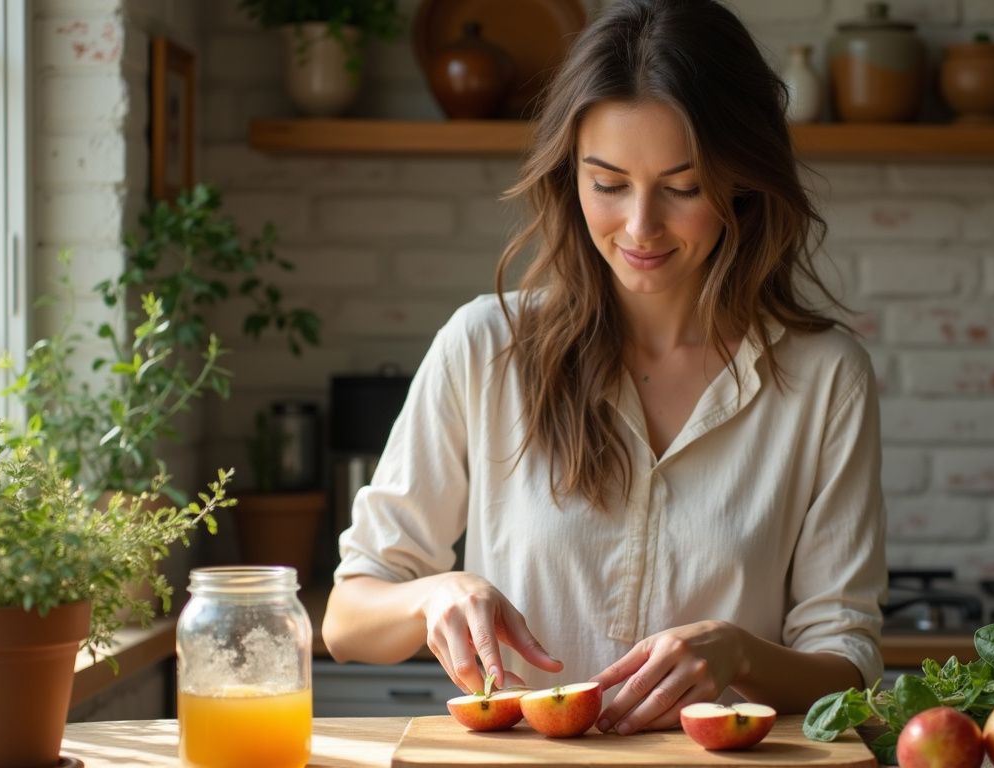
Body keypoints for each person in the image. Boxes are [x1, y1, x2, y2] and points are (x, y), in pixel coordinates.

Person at [323, 0, 887, 737]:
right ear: (570, 176)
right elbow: (347, 617)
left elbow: (847, 661)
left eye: (683, 187)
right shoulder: (484, 346)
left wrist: (739, 653)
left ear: (741, 183)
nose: (640, 226)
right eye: (608, 182)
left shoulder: (825, 378)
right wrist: (434, 596)